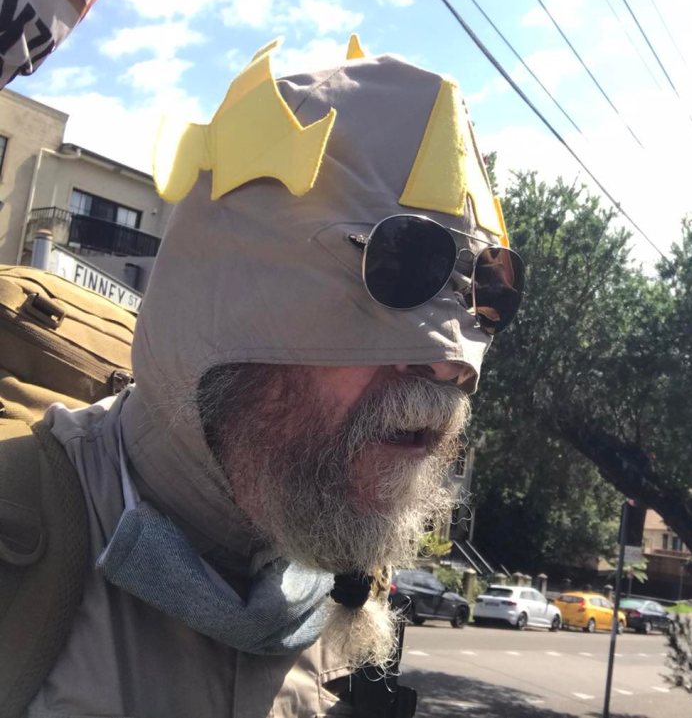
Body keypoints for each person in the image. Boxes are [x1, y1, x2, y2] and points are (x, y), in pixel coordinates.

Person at [26, 35, 524, 717]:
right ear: (233, 302)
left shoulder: (348, 597)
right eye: (404, 268)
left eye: (489, 291)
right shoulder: (23, 558)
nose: (448, 363)